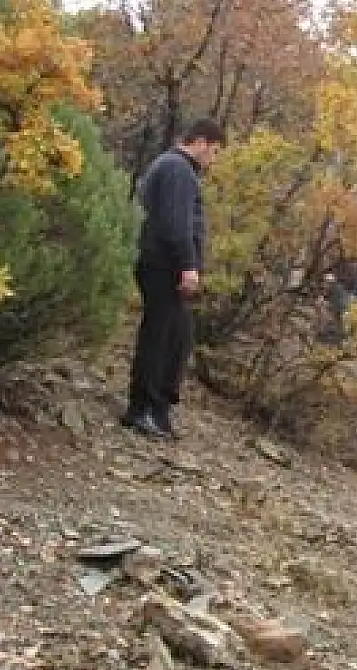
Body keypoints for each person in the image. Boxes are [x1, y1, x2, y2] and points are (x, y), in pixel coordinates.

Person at [122, 118, 225, 438]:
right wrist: (188, 265)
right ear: (201, 142)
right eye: (215, 151)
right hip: (163, 265)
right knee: (160, 337)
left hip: (162, 264)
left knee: (177, 337)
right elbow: (175, 224)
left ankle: (157, 409)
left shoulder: (172, 167)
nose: (213, 160)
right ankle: (142, 410)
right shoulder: (178, 170)